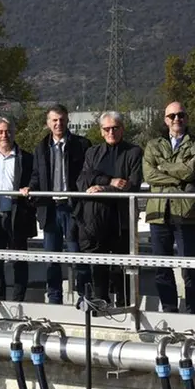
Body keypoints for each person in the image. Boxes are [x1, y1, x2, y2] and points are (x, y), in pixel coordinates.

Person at [21, 104, 91, 304]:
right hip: (50, 210)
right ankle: (54, 298)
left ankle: (84, 297)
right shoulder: (41, 147)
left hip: (73, 209)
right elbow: (37, 175)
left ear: (67, 120)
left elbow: (87, 174)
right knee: (52, 259)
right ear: (48, 123)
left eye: (61, 119)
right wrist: (30, 188)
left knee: (78, 256)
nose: (58, 123)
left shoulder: (81, 145)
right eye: (54, 120)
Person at [143, 102, 195, 314]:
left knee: (190, 266)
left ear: (186, 118)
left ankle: (193, 310)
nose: (176, 119)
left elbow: (193, 171)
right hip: (159, 213)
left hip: (186, 212)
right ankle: (169, 309)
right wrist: (178, 177)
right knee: (162, 266)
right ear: (165, 119)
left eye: (180, 115)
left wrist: (164, 168)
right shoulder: (153, 145)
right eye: (172, 116)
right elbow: (149, 175)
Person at [74, 111, 143, 306]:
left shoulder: (134, 152)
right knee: (99, 268)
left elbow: (133, 184)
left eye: (115, 128)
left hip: (121, 220)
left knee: (122, 269)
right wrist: (110, 181)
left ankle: (125, 309)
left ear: (122, 129)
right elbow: (82, 181)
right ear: (101, 131)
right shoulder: (93, 152)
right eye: (107, 129)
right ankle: (100, 306)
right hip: (96, 221)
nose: (111, 132)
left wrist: (101, 187)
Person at [0, 117, 36, 301]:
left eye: (8, 131)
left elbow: (34, 180)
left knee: (18, 260)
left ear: (14, 132)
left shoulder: (26, 158)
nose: (5, 135)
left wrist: (30, 188)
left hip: (16, 215)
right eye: (1, 132)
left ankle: (18, 300)